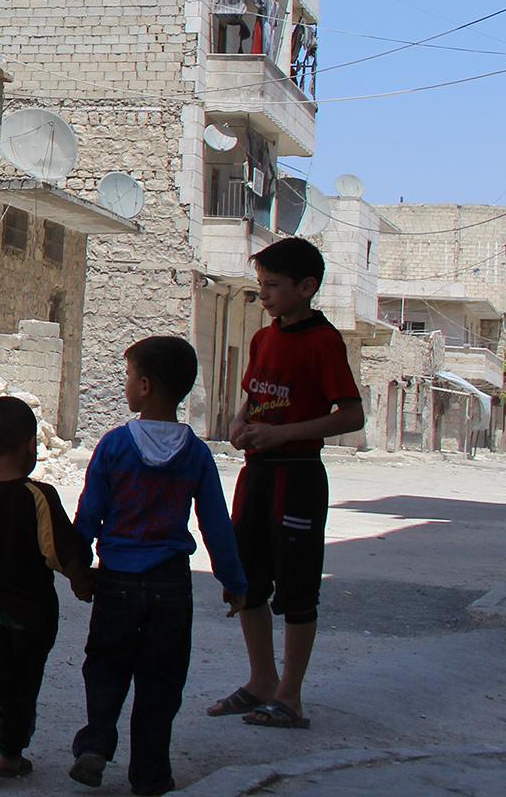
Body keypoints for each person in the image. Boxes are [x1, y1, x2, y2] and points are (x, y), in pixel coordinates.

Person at [69, 337, 248, 796]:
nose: (126, 384)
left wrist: (77, 567)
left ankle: (95, 746)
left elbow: (89, 514)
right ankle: (149, 774)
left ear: (145, 386)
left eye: (129, 376)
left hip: (117, 581)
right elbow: (216, 526)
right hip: (171, 584)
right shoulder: (197, 454)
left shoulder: (114, 445)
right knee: (161, 680)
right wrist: (234, 581)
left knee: (106, 666)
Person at [204, 236, 363, 732]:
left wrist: (282, 434)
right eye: (261, 285)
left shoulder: (324, 341)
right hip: (257, 474)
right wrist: (239, 421)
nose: (265, 294)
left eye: (273, 286)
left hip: (297, 476)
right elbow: (253, 393)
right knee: (247, 583)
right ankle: (261, 680)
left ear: (306, 287)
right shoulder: (263, 337)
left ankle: (290, 697)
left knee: (296, 589)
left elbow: (351, 415)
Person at [0, 395, 94, 789]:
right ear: (32, 445)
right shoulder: (40, 496)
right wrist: (83, 581)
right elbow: (59, 552)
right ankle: (11, 756)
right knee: (21, 688)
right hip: (29, 620)